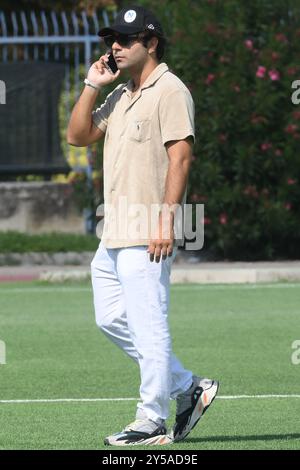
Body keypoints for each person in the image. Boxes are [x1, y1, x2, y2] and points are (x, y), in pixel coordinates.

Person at [67, 4, 219, 446]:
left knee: (150, 326)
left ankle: (150, 421)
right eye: (112, 39)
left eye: (126, 39)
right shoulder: (119, 94)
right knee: (111, 318)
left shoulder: (170, 90)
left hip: (148, 231)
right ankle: (188, 386)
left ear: (151, 43)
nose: (115, 46)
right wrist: (92, 85)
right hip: (113, 230)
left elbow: (181, 157)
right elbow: (77, 136)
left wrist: (166, 222)